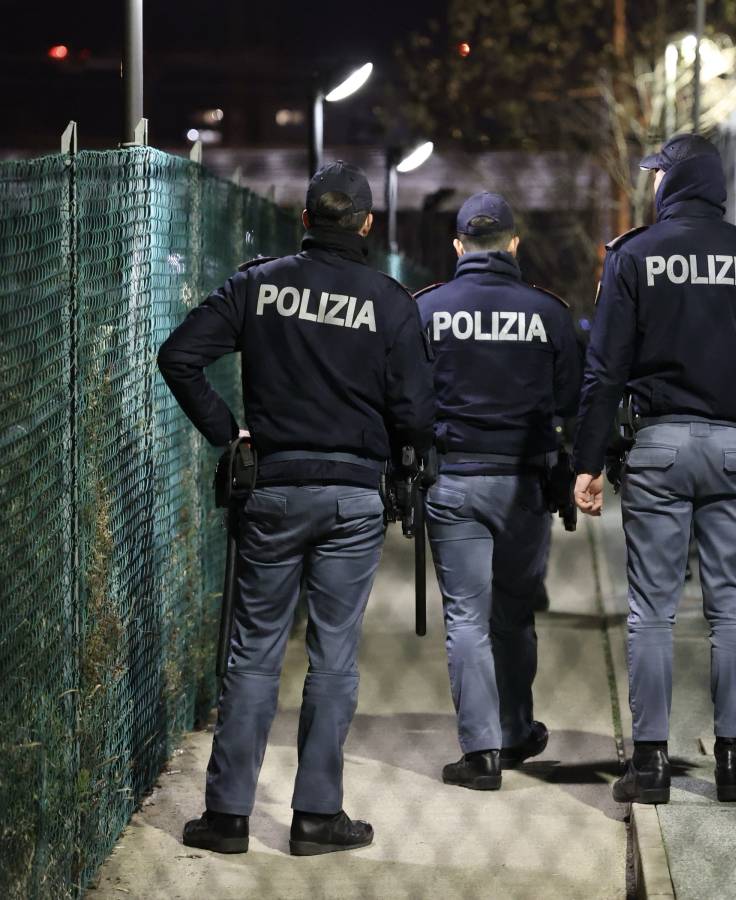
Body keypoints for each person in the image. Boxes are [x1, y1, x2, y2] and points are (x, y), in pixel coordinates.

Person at [158, 161, 435, 855]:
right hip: (352, 495)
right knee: (334, 656)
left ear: (306, 218)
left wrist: (229, 433)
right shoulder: (390, 301)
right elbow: (415, 411)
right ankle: (315, 816)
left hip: (275, 489)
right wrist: (405, 461)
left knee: (254, 653)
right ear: (367, 224)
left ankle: (227, 817)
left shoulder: (258, 284)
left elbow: (179, 356)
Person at [572, 134, 736, 804]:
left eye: (656, 175)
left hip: (658, 446)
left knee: (652, 610)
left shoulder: (633, 255)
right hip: (733, 447)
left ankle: (649, 766)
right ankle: (732, 762)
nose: (650, 185)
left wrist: (587, 461)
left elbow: (604, 369)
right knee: (733, 608)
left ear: (674, 181)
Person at [415, 192, 581, 790]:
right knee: (513, 612)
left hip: (454, 478)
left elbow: (403, 395)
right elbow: (572, 400)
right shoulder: (548, 313)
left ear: (459, 246)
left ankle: (480, 752)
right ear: (514, 244)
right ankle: (515, 731)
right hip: (523, 484)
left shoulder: (426, 309)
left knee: (466, 617)